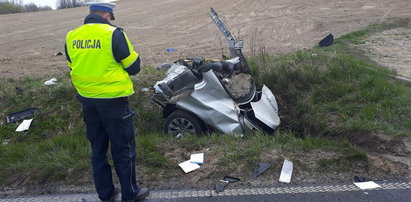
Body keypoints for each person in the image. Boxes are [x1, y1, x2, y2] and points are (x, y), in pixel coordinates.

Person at [64, 2, 149, 202]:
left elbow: (71, 66)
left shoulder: (72, 36)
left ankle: (106, 193)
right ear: (107, 15)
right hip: (114, 102)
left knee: (98, 149)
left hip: (88, 101)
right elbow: (133, 67)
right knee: (123, 148)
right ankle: (130, 193)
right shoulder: (113, 34)